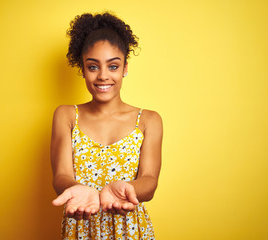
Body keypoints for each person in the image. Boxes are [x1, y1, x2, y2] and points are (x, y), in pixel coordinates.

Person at [50, 12, 163, 239]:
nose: (103, 76)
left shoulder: (149, 120)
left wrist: (129, 190)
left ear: (125, 68)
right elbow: (61, 175)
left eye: (113, 66)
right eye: (93, 67)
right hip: (81, 228)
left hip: (131, 230)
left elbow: (149, 181)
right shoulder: (66, 115)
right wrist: (79, 190)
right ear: (82, 69)